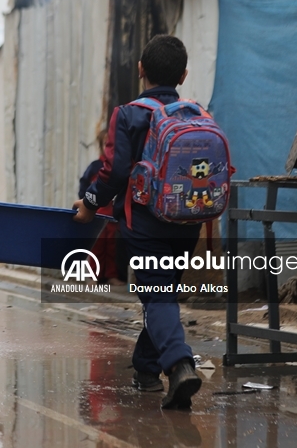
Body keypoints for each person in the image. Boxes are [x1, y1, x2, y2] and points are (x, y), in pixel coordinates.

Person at [74, 35, 202, 410]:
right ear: (183, 74)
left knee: (157, 297)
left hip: (145, 224)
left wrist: (89, 204)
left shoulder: (129, 113)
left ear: (141, 70)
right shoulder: (195, 113)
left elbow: (114, 173)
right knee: (161, 295)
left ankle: (180, 365)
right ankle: (146, 370)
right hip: (188, 222)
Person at [77, 129, 122, 285]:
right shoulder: (96, 166)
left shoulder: (119, 169)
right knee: (96, 245)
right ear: (101, 146)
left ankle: (110, 275)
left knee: (111, 246)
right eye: (106, 144)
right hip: (96, 214)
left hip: (112, 215)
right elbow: (84, 184)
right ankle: (93, 276)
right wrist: (84, 202)